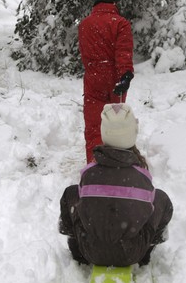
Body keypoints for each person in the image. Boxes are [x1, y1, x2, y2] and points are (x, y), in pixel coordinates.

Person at [59, 103, 173, 267]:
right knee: (160, 198)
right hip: (132, 253)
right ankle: (147, 251)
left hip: (90, 250)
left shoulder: (89, 173)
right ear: (133, 133)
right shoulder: (142, 176)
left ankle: (76, 248)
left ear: (104, 133)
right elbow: (146, 209)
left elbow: (84, 204)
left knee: (71, 193)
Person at [78, 0, 134, 163]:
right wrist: (125, 75)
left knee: (94, 127)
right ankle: (116, 167)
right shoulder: (121, 24)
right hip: (115, 80)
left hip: (93, 78)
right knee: (116, 126)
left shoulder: (85, 24)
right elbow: (123, 52)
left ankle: (94, 168)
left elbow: (86, 54)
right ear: (115, 2)